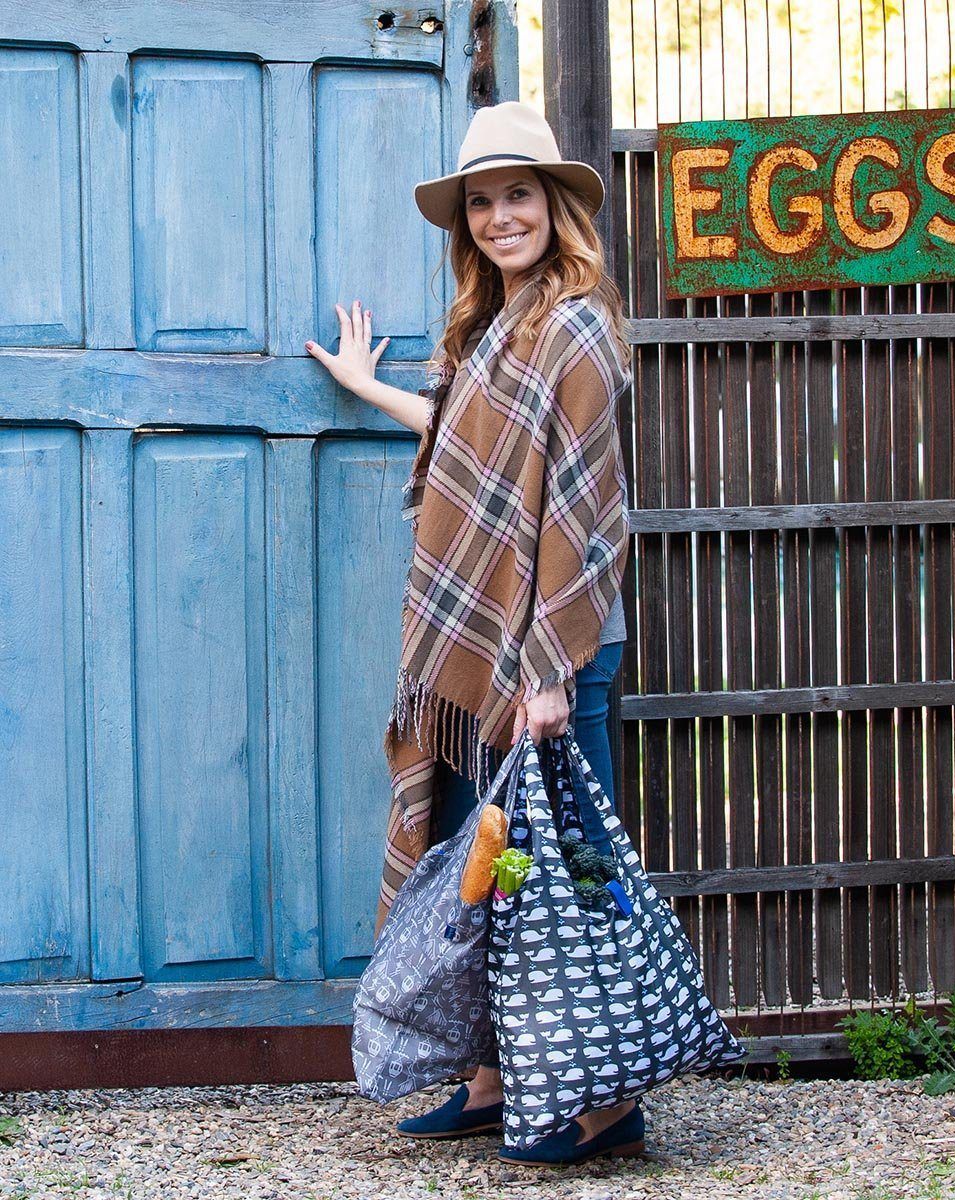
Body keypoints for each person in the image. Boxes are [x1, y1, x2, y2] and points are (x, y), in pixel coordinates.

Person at [304, 100, 640, 1167]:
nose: (501, 216)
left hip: (552, 655)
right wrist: (368, 388)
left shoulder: (577, 321)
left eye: (518, 195)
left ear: (556, 206)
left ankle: (608, 1101)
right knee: (494, 869)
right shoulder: (494, 324)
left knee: (572, 873)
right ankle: (495, 1079)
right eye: (483, 201)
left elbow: (583, 510)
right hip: (481, 654)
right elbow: (474, 443)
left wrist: (548, 666)